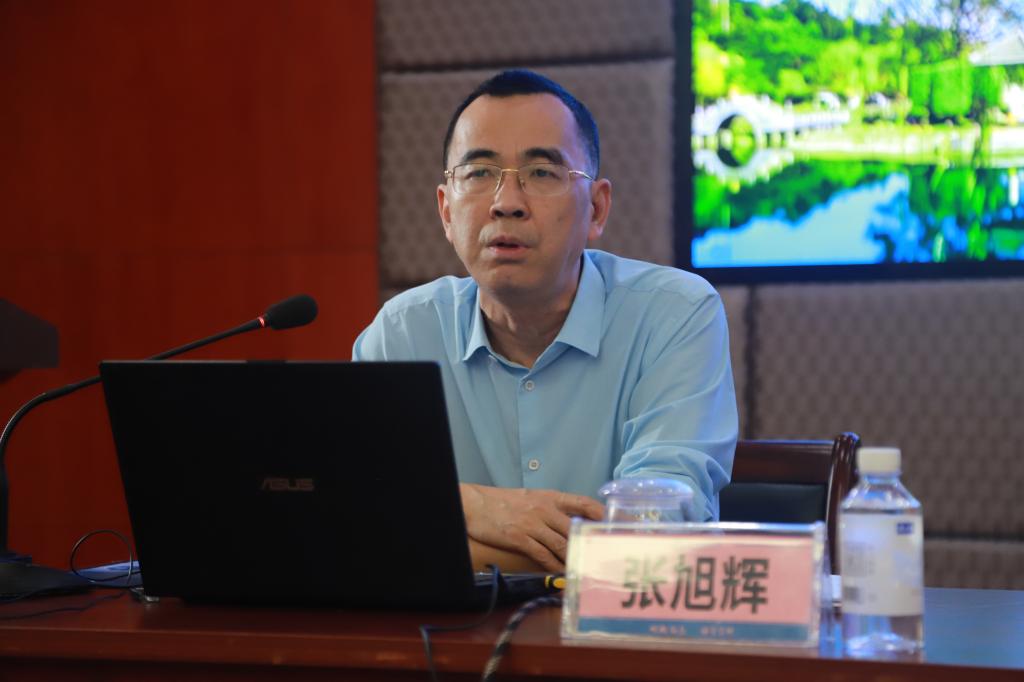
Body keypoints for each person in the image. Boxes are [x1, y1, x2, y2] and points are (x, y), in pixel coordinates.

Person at [353, 69, 737, 572]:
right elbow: (360, 518)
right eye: (479, 173)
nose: (506, 204)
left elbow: (653, 534)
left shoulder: (675, 315)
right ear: (446, 211)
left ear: (596, 209)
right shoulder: (402, 334)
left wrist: (444, 520)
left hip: (615, 624)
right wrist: (478, 506)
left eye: (541, 173)